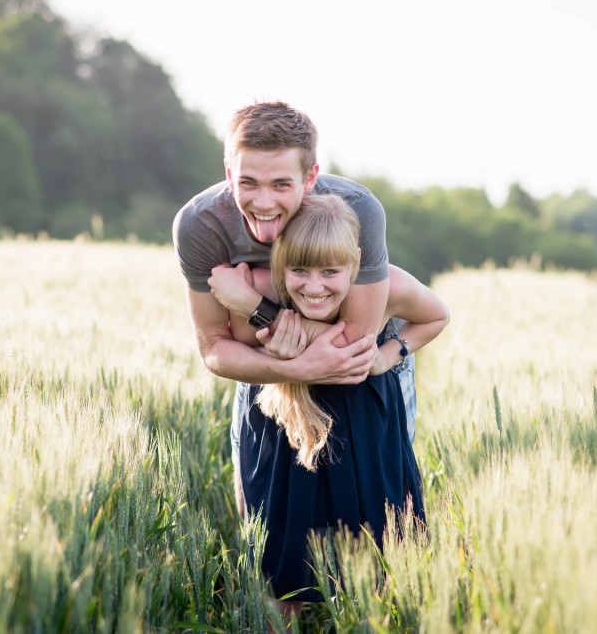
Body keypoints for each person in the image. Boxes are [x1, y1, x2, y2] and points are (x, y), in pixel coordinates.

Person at [171, 101, 419, 507]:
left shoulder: (357, 210)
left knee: (385, 519)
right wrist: (291, 368)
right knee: (266, 519)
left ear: (310, 178)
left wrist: (252, 304)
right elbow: (215, 350)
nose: (264, 203)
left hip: (363, 380)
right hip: (267, 378)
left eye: (281, 185)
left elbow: (355, 344)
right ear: (229, 175)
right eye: (248, 183)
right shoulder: (201, 225)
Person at [229, 194, 450, 612]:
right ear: (281, 264)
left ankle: (373, 616)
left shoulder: (389, 286)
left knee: (379, 538)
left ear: (357, 264)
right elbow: (234, 347)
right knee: (280, 553)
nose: (314, 287)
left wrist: (385, 357)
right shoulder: (259, 291)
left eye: (330, 271)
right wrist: (276, 345)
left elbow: (437, 315)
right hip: (283, 415)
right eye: (299, 270)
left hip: (363, 408)